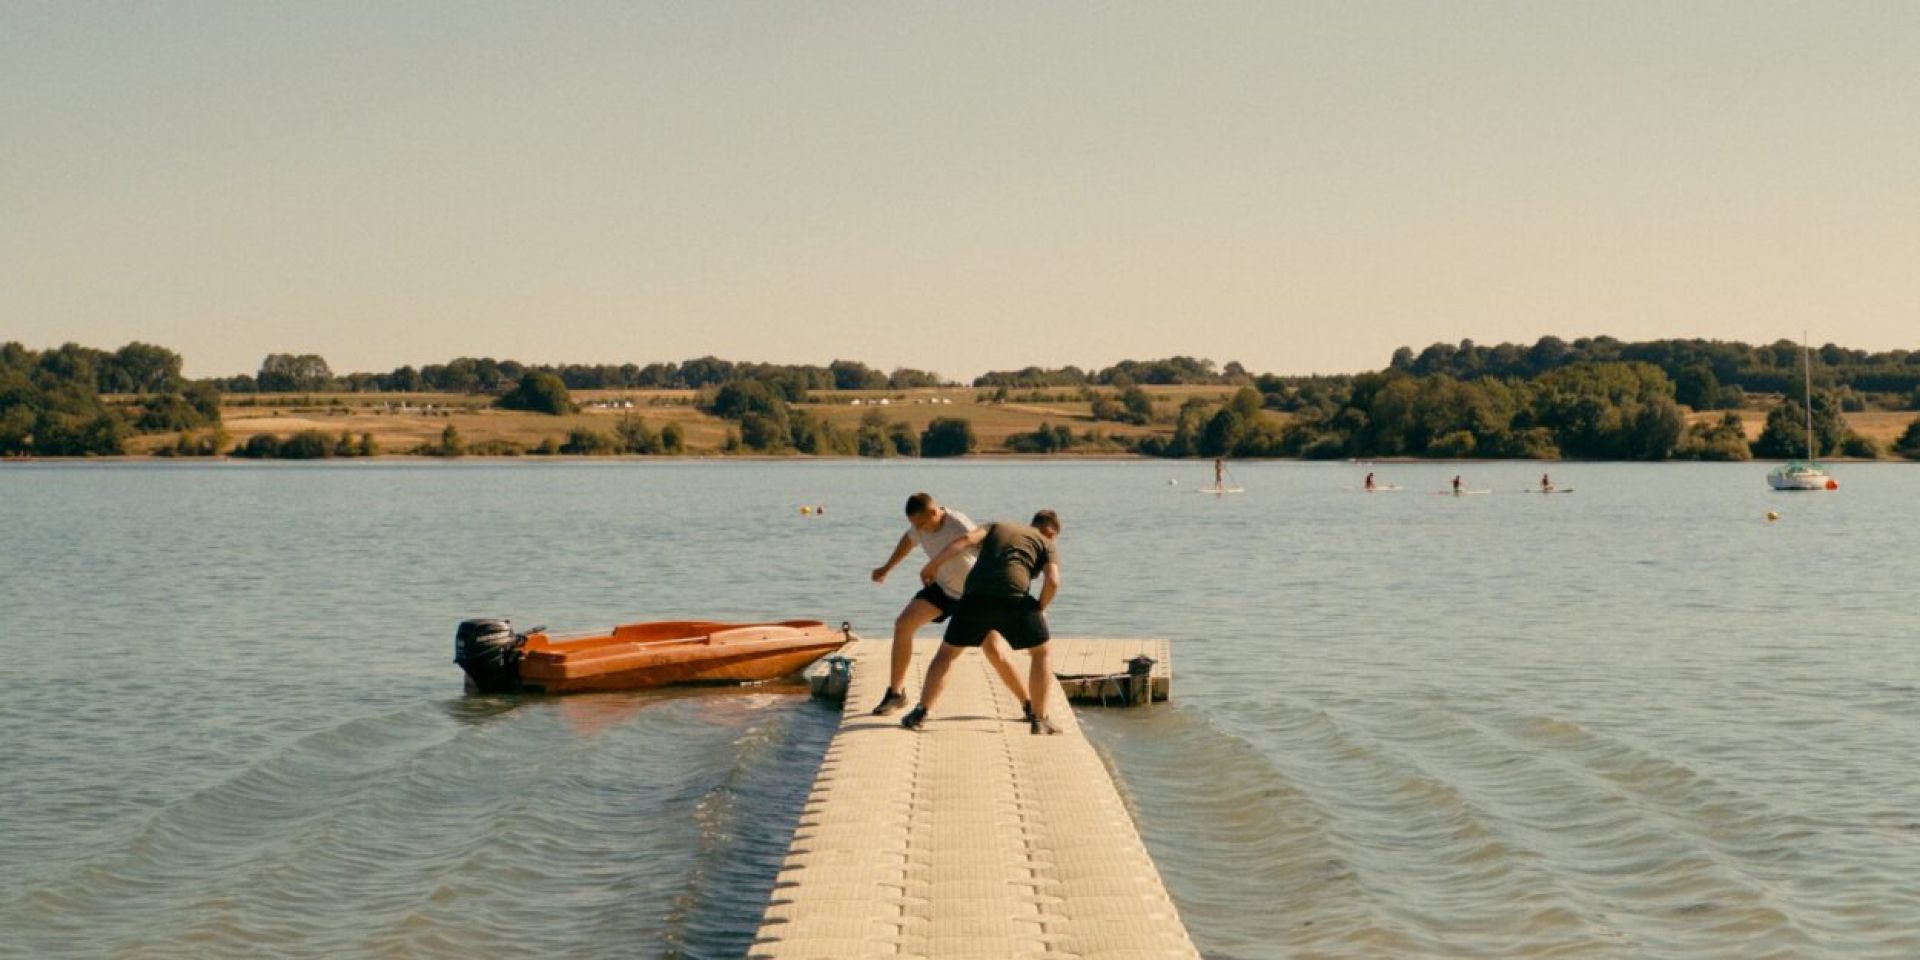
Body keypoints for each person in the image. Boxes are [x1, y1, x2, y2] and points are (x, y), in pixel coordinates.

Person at [902, 510, 1063, 735]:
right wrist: (1039, 609)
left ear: (1031, 523)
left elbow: (965, 540)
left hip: (973, 596)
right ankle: (1039, 719)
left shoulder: (998, 526)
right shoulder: (1046, 543)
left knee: (947, 653)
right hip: (1014, 599)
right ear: (1052, 533)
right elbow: (1053, 581)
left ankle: (920, 713)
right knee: (1041, 652)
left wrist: (933, 566)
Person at [868, 493, 1030, 716]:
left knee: (994, 651)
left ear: (935, 512)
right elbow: (908, 541)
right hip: (943, 589)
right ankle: (896, 693)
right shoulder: (919, 526)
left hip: (974, 596)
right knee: (903, 624)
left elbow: (988, 550)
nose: (920, 530)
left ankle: (1028, 704)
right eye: (915, 525)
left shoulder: (958, 523)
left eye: (922, 524)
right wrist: (887, 568)